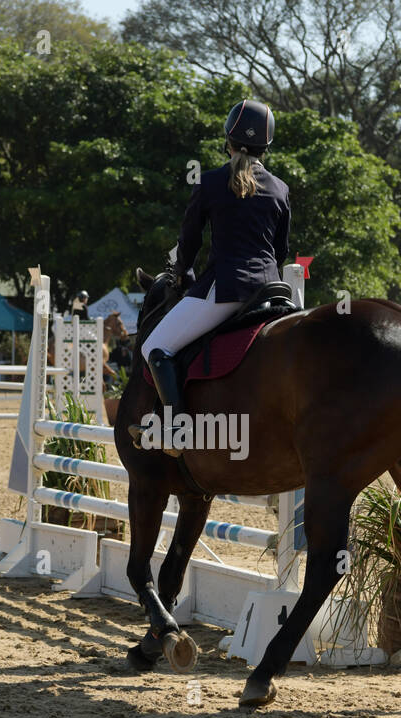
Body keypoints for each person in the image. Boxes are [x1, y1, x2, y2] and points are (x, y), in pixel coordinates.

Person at [131, 98, 290, 454]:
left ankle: (175, 431)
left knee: (154, 347)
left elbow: (188, 243)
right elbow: (280, 252)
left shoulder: (210, 181)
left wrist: (182, 275)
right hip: (273, 289)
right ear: (267, 146)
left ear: (227, 141)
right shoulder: (280, 188)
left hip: (228, 288)